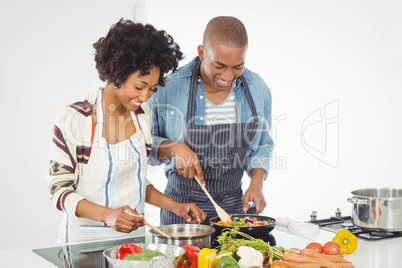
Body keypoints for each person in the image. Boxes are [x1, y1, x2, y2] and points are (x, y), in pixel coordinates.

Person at [47, 18, 206, 243]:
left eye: (152, 89)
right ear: (117, 74)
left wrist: (176, 207)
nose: (144, 97)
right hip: (82, 245)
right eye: (139, 87)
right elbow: (58, 190)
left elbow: (137, 182)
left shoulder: (142, 118)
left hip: (131, 245)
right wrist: (109, 215)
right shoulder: (76, 119)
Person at [148, 16, 274, 225]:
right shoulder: (167, 87)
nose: (228, 75)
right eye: (219, 65)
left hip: (234, 208)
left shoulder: (257, 87)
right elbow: (141, 146)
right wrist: (174, 147)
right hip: (182, 211)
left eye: (238, 66)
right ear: (201, 52)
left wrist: (256, 183)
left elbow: (262, 144)